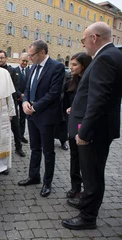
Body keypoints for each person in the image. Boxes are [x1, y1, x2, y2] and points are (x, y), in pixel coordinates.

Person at [62, 22, 122, 230]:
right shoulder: (114, 55)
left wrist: (84, 132)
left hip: (94, 131)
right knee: (93, 173)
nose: (84, 44)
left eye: (83, 40)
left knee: (92, 174)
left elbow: (98, 100)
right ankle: (87, 203)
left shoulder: (105, 58)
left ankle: (88, 217)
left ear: (94, 38)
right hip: (101, 128)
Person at [18, 40, 65, 198]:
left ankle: (47, 182)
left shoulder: (56, 67)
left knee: (48, 151)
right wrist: (25, 102)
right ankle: (34, 176)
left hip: (46, 117)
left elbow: (53, 94)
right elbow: (27, 88)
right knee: (34, 148)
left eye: (32, 55)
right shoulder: (32, 67)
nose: (29, 58)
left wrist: (35, 107)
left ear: (42, 52)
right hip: (31, 116)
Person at [62, 52, 92, 199]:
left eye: (75, 64)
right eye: (71, 64)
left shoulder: (92, 82)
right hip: (73, 125)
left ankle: (88, 190)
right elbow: (66, 102)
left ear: (83, 66)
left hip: (86, 125)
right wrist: (69, 108)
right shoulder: (70, 82)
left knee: (85, 158)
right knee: (74, 156)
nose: (71, 67)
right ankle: (75, 186)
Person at [0, 50, 26, 159]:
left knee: (15, 127)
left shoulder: (12, 71)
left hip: (11, 103)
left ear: (6, 58)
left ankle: (18, 147)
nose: (0, 60)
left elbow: (15, 87)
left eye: (2, 57)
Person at [54, 57, 71, 151]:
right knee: (53, 124)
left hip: (64, 103)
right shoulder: (53, 74)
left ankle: (63, 141)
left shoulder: (68, 75)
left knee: (63, 125)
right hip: (54, 103)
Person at [14, 53, 30, 144]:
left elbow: (29, 85)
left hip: (25, 99)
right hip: (16, 98)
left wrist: (25, 96)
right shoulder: (14, 70)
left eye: (26, 61)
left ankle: (22, 135)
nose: (24, 62)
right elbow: (13, 85)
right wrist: (20, 94)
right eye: (23, 60)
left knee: (23, 119)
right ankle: (17, 136)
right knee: (16, 118)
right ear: (19, 60)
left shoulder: (29, 71)